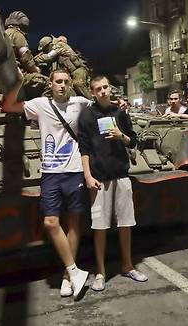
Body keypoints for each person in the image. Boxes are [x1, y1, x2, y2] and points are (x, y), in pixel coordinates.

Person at [23, 69, 91, 299]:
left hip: (74, 171)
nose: (61, 85)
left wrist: (117, 105)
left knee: (74, 223)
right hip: (51, 172)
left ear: (70, 84)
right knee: (51, 222)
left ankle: (67, 276)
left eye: (65, 82)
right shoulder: (39, 104)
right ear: (50, 84)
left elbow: (99, 108)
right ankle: (75, 271)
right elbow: (10, 105)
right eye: (57, 82)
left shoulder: (80, 102)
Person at [79, 75, 147, 292]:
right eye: (98, 89)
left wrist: (121, 136)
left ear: (110, 88)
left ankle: (127, 265)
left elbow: (133, 140)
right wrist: (88, 176)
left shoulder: (120, 113)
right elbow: (84, 148)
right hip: (99, 179)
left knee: (126, 224)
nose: (103, 91)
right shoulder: (87, 116)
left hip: (121, 176)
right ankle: (100, 272)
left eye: (105, 87)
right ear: (92, 92)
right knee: (99, 227)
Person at [4, 10, 47, 98]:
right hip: (17, 74)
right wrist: (36, 69)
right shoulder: (17, 35)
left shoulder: (3, 34)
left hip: (3, 74)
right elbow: (25, 57)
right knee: (48, 83)